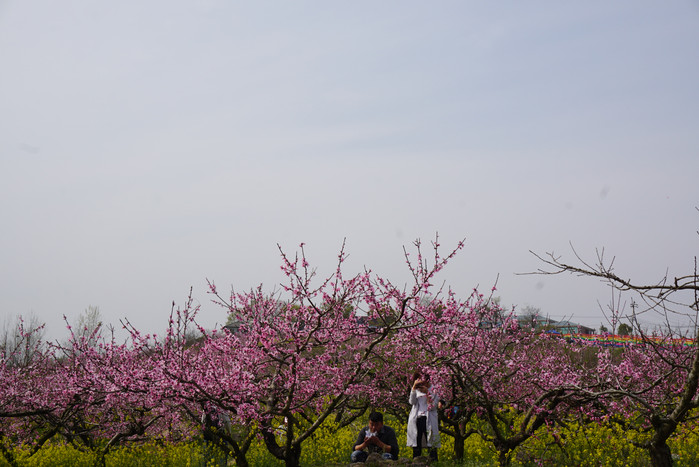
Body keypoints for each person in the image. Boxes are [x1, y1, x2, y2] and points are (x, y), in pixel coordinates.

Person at [407, 370, 440, 460]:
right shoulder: (416, 389)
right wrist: (413, 388)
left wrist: (427, 393)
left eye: (422, 378)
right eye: (418, 379)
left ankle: (434, 464)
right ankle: (416, 463)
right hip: (417, 418)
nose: (420, 381)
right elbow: (412, 402)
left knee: (432, 447)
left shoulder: (434, 389)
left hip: (429, 418)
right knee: (416, 446)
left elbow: (433, 407)